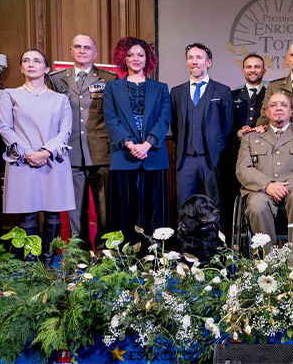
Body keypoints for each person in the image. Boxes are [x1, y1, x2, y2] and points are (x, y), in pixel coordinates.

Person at [0, 49, 75, 267]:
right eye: (26, 61)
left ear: (47, 69)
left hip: (53, 161)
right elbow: (4, 128)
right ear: (21, 68)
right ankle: (31, 266)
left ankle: (49, 263)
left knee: (53, 214)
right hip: (23, 162)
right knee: (27, 215)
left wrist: (46, 152)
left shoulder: (60, 99)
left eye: (37, 61)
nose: (31, 64)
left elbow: (65, 131)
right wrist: (28, 153)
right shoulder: (9, 95)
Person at [236, 93, 293, 266]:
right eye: (274, 105)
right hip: (262, 191)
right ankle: (269, 267)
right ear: (266, 112)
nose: (279, 108)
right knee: (256, 204)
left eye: (283, 105)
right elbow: (243, 169)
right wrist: (268, 185)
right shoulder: (251, 137)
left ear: (290, 112)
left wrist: (285, 187)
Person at [102, 37, 170, 248]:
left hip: (153, 155)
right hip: (124, 155)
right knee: (124, 210)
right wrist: (130, 145)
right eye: (130, 55)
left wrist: (147, 144)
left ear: (147, 59)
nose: (135, 59)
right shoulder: (112, 87)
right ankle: (123, 255)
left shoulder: (161, 88)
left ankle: (153, 255)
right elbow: (110, 119)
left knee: (153, 210)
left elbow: (164, 119)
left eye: (140, 55)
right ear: (123, 58)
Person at [51, 34, 117, 250]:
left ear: (95, 53)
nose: (82, 51)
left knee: (104, 209)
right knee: (75, 210)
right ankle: (79, 256)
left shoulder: (108, 79)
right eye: (77, 47)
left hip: (100, 152)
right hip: (71, 154)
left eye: (87, 47)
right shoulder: (57, 79)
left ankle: (104, 253)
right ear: (71, 50)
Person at [171, 42, 233, 209]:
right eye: (190, 58)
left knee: (215, 206)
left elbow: (227, 125)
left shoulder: (222, 91)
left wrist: (217, 148)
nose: (194, 62)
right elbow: (175, 125)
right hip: (186, 159)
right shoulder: (176, 92)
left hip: (212, 159)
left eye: (199, 57)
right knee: (184, 207)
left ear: (208, 62)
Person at [223, 53, 268, 233]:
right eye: (249, 67)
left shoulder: (271, 95)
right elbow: (224, 123)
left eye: (257, 67)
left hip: (264, 156)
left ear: (264, 71)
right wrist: (237, 132)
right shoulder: (231, 95)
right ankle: (234, 238)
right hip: (237, 154)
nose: (253, 70)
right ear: (243, 71)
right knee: (233, 196)